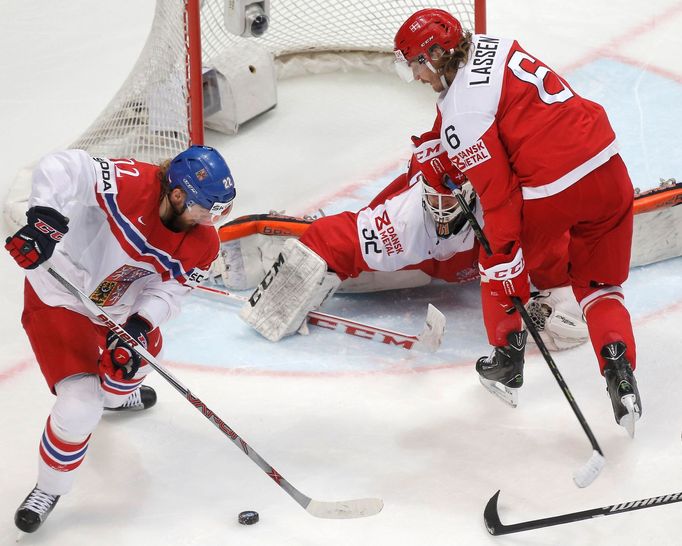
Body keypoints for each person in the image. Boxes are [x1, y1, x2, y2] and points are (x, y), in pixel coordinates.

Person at [392, 9, 641, 434]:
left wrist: (505, 260)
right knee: (600, 286)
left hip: (554, 188)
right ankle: (621, 373)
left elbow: (500, 198)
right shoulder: (495, 45)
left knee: (497, 251)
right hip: (608, 167)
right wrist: (436, 145)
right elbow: (467, 108)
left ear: (435, 56)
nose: (415, 75)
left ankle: (507, 361)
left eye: (415, 63)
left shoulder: (464, 117)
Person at [4, 144, 236, 533]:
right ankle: (49, 488)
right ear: (177, 194)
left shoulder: (204, 244)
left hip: (116, 310)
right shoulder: (132, 183)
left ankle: (119, 395)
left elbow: (170, 293)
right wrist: (44, 220)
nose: (210, 218)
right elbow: (63, 165)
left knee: (139, 357)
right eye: (205, 207)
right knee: (81, 405)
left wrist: (141, 325)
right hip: (61, 296)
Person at [227, 132, 587, 351]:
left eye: (451, 200)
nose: (442, 209)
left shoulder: (507, 210)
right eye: (435, 198)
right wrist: (277, 307)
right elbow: (327, 239)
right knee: (359, 257)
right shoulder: (405, 219)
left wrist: (557, 292)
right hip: (421, 259)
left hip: (469, 252)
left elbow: (549, 241)